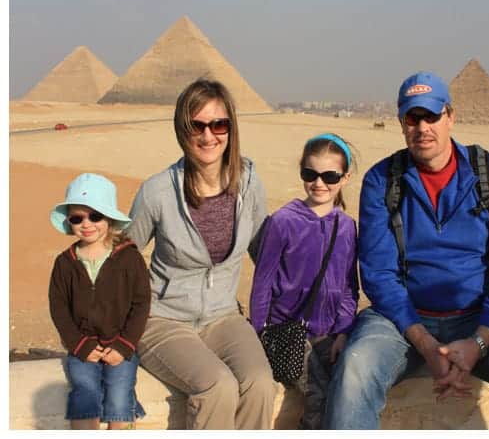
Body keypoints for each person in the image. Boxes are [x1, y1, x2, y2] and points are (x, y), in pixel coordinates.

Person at [324, 71, 489, 429]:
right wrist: (426, 344)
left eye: (432, 116)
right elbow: (379, 274)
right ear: (401, 123)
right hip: (401, 320)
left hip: (480, 316)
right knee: (354, 369)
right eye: (413, 118)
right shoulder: (382, 180)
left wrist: (479, 342)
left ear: (450, 117)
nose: (422, 127)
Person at [126, 78, 276, 430]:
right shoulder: (158, 192)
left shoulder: (250, 183)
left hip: (224, 316)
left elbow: (264, 252)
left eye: (218, 124)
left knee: (260, 384)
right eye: (198, 125)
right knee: (217, 387)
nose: (209, 136)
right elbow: (123, 259)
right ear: (183, 129)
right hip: (164, 321)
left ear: (231, 128)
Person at [250, 133, 359, 430]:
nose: (319, 183)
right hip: (286, 331)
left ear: (345, 178)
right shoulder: (283, 221)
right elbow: (262, 283)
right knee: (319, 394)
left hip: (327, 334)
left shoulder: (347, 227)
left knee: (350, 386)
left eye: (330, 175)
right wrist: (262, 333)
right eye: (310, 174)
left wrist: (343, 332)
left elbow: (349, 285)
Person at [48, 173, 151, 430]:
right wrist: (79, 344)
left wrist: (124, 345)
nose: (86, 224)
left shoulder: (129, 258)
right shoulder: (65, 263)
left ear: (109, 219)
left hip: (121, 344)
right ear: (69, 221)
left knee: (119, 393)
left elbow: (141, 304)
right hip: (83, 346)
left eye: (95, 216)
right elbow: (58, 308)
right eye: (77, 218)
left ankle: (125, 418)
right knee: (84, 393)